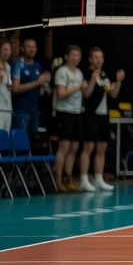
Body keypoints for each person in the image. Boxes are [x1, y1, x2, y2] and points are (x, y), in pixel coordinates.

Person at [79, 47, 122, 193]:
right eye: (95, 57)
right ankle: (84, 178)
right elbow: (87, 94)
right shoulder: (85, 73)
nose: (99, 60)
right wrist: (92, 79)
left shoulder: (104, 75)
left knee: (102, 148)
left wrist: (119, 81)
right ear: (90, 59)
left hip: (104, 114)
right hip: (91, 114)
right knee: (88, 147)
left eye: (101, 57)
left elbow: (113, 94)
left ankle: (98, 178)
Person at [53, 45, 87, 192]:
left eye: (78, 55)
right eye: (73, 55)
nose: (75, 58)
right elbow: (61, 93)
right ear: (67, 56)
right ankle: (58, 181)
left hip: (77, 112)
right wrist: (78, 87)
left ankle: (69, 178)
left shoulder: (79, 72)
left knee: (74, 147)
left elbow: (83, 92)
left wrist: (84, 88)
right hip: (64, 112)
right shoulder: (62, 71)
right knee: (64, 147)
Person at [9, 37, 48, 138]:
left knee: (31, 138)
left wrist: (43, 85)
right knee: (21, 141)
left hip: (34, 111)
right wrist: (37, 82)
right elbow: (15, 89)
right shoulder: (18, 65)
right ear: (22, 49)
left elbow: (40, 93)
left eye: (34, 47)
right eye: (29, 47)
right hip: (21, 111)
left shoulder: (37, 65)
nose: (32, 50)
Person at [0, 40, 12, 133]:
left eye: (9, 50)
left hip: (7, 108)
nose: (7, 52)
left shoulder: (8, 66)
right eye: (5, 50)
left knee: (5, 139)